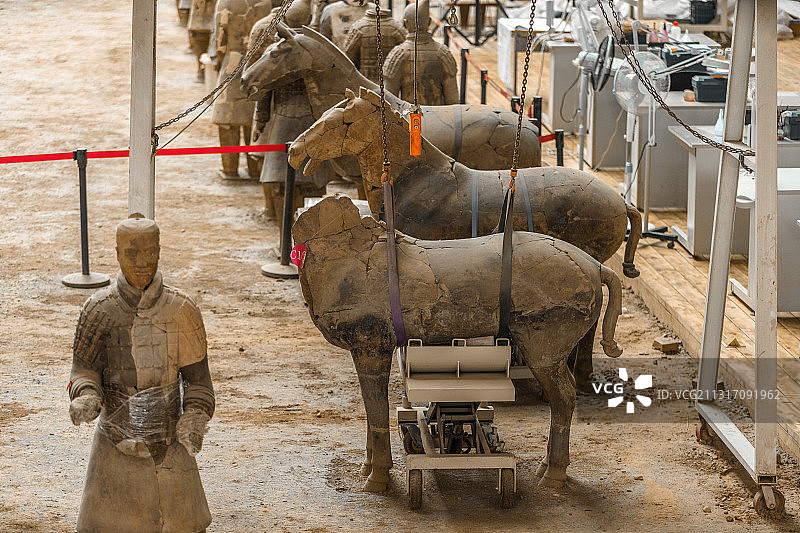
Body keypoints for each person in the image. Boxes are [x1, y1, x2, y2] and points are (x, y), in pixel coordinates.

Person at [68, 215, 215, 533]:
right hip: (114, 447)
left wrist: (194, 416)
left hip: (170, 446)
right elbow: (84, 370)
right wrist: (87, 396)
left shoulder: (182, 311)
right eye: (131, 253)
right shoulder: (98, 311)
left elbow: (199, 382)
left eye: (150, 252)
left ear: (160, 251)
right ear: (117, 252)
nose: (142, 261)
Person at [211, 0, 272, 179]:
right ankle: (255, 169)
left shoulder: (226, 2)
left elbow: (220, 42)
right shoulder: (267, 2)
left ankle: (230, 169)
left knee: (227, 118)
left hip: (232, 61)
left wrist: (221, 59)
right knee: (252, 116)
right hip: (260, 62)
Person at [384, 0, 459, 105]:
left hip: (408, 119)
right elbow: (453, 102)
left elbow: (389, 101)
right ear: (429, 22)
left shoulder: (398, 55)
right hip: (439, 119)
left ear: (406, 23)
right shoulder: (443, 53)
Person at [342, 7, 407, 83]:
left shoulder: (358, 27)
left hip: (365, 81)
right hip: (389, 84)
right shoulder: (396, 28)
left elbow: (349, 56)